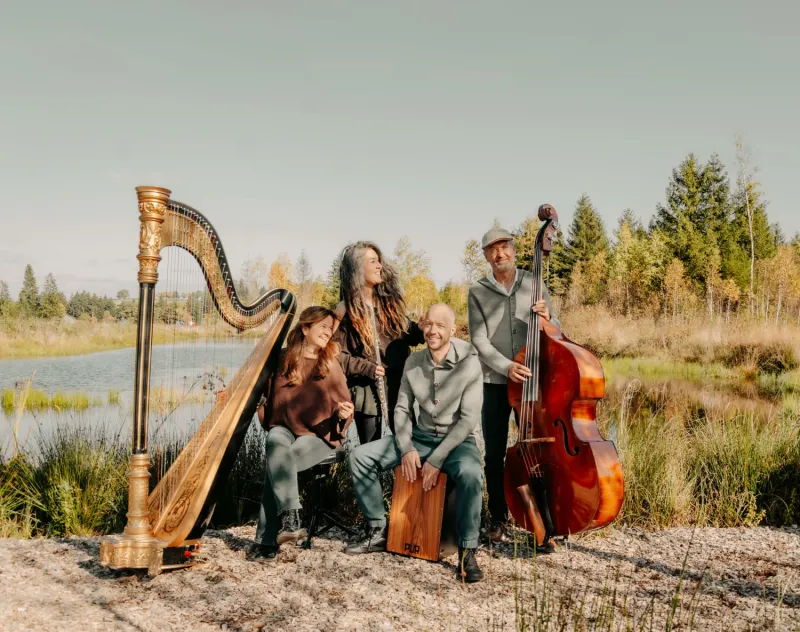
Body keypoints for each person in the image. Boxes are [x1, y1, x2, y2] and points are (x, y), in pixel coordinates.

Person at [344, 303, 486, 583]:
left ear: (452, 330)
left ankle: (468, 550)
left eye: (440, 326)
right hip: (419, 438)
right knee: (359, 457)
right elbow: (401, 410)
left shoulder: (469, 361)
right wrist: (407, 447)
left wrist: (436, 459)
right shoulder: (414, 362)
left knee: (471, 473)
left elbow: (468, 420)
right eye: (429, 324)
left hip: (456, 442)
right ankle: (377, 529)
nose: (433, 330)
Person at [252, 306, 369, 560]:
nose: (328, 332)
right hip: (284, 429)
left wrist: (342, 414)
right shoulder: (282, 359)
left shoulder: (330, 363)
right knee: (275, 439)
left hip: (320, 436)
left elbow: (344, 408)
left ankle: (267, 540)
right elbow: (260, 394)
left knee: (281, 461)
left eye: (330, 328)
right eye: (322, 327)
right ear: (305, 328)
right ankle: (291, 520)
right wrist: (231, 397)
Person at [467, 227, 560, 543]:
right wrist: (507, 367)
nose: (499, 253)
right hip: (494, 382)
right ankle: (498, 518)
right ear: (486, 256)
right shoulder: (477, 291)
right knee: (494, 454)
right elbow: (478, 340)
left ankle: (544, 520)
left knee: (536, 450)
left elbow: (556, 328)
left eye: (504, 246)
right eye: (492, 249)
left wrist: (549, 318)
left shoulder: (533, 283)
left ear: (514, 249)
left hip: (532, 382)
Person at [333, 241, 424, 444]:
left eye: (379, 261)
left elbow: (411, 334)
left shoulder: (390, 304)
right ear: (357, 268)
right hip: (366, 393)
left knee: (410, 448)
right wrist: (367, 368)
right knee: (370, 452)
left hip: (398, 389)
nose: (379, 266)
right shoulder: (345, 311)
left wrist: (425, 329)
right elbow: (335, 356)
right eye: (372, 261)